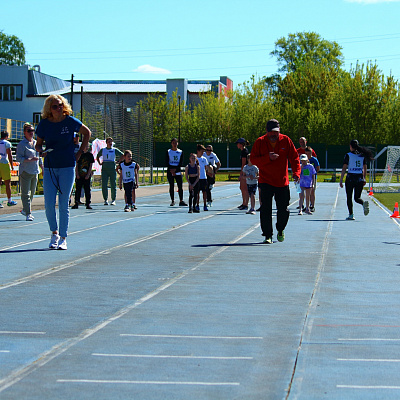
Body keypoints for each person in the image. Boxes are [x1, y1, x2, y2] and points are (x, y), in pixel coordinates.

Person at [35, 94, 91, 250]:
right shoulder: (44, 124)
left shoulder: (70, 121)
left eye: (60, 105)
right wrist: (41, 151)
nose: (58, 108)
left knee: (64, 203)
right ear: (49, 109)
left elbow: (87, 133)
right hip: (50, 167)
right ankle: (54, 233)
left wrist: (80, 152)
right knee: (48, 204)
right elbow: (38, 145)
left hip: (67, 166)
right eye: (55, 106)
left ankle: (64, 238)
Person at [250, 119, 301, 244]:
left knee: (283, 209)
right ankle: (267, 235)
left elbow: (294, 158)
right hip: (265, 181)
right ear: (267, 132)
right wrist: (268, 158)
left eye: (276, 132)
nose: (274, 135)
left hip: (282, 182)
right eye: (271, 132)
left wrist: (296, 173)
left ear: (279, 131)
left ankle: (280, 229)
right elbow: (253, 159)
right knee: (265, 209)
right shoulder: (260, 142)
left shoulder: (286, 140)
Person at [339, 139, 373, 220]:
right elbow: (365, 168)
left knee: (349, 197)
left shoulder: (348, 155)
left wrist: (341, 179)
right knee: (357, 198)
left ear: (351, 146)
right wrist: (364, 178)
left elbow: (344, 167)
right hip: (359, 178)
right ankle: (363, 202)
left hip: (350, 177)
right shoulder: (362, 156)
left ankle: (351, 214)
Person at [16, 123, 43, 220]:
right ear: (24, 132)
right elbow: (18, 158)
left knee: (32, 193)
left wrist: (42, 168)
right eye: (29, 131)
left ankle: (25, 209)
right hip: (25, 171)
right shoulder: (21, 144)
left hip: (35, 171)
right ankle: (28, 213)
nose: (31, 133)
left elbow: (39, 157)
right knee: (26, 193)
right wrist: (30, 159)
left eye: (32, 131)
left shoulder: (36, 143)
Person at [96, 137, 124, 206]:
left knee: (113, 184)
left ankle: (113, 199)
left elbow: (123, 155)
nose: (110, 143)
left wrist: (118, 161)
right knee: (104, 184)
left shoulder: (114, 150)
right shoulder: (103, 150)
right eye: (109, 142)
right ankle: (105, 199)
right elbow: (97, 156)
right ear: (106, 143)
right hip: (105, 168)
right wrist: (100, 163)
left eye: (111, 142)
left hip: (112, 167)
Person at [71, 143, 94, 210]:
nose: (86, 147)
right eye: (85, 146)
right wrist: (77, 174)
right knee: (78, 189)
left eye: (87, 146)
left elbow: (90, 165)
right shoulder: (79, 154)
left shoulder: (90, 155)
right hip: (79, 175)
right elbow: (77, 164)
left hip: (86, 175)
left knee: (87, 190)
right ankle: (76, 202)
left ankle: (88, 203)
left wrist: (88, 174)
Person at [166, 138, 187, 207]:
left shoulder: (180, 152)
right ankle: (172, 200)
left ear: (177, 143)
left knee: (180, 186)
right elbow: (166, 161)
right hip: (170, 170)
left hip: (177, 171)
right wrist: (171, 170)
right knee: (171, 185)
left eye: (176, 143)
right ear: (171, 143)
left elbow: (181, 162)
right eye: (173, 143)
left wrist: (176, 170)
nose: (174, 144)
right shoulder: (168, 151)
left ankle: (181, 200)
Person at [0, 130, 17, 208]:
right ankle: (9, 201)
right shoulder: (7, 143)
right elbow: (9, 154)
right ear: (6, 136)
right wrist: (12, 164)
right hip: (4, 163)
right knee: (7, 183)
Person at [236, 138, 250, 210]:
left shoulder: (244, 152)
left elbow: (243, 164)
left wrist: (241, 174)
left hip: (245, 171)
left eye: (238, 143)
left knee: (244, 188)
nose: (237, 145)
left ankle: (246, 204)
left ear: (241, 144)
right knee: (242, 187)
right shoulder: (242, 151)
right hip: (244, 171)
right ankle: (244, 203)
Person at [305, 146, 320, 212]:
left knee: (312, 191)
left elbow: (318, 167)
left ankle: (312, 205)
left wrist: (314, 173)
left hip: (312, 177)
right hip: (305, 178)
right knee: (306, 192)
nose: (308, 155)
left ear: (311, 153)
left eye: (309, 153)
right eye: (307, 154)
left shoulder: (314, 160)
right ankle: (307, 205)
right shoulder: (304, 160)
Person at [195, 144, 209, 211]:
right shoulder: (195, 159)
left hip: (204, 178)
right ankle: (197, 205)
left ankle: (205, 205)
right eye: (202, 151)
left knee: (204, 192)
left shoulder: (204, 159)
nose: (203, 153)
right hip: (197, 178)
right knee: (197, 193)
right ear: (198, 151)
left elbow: (206, 168)